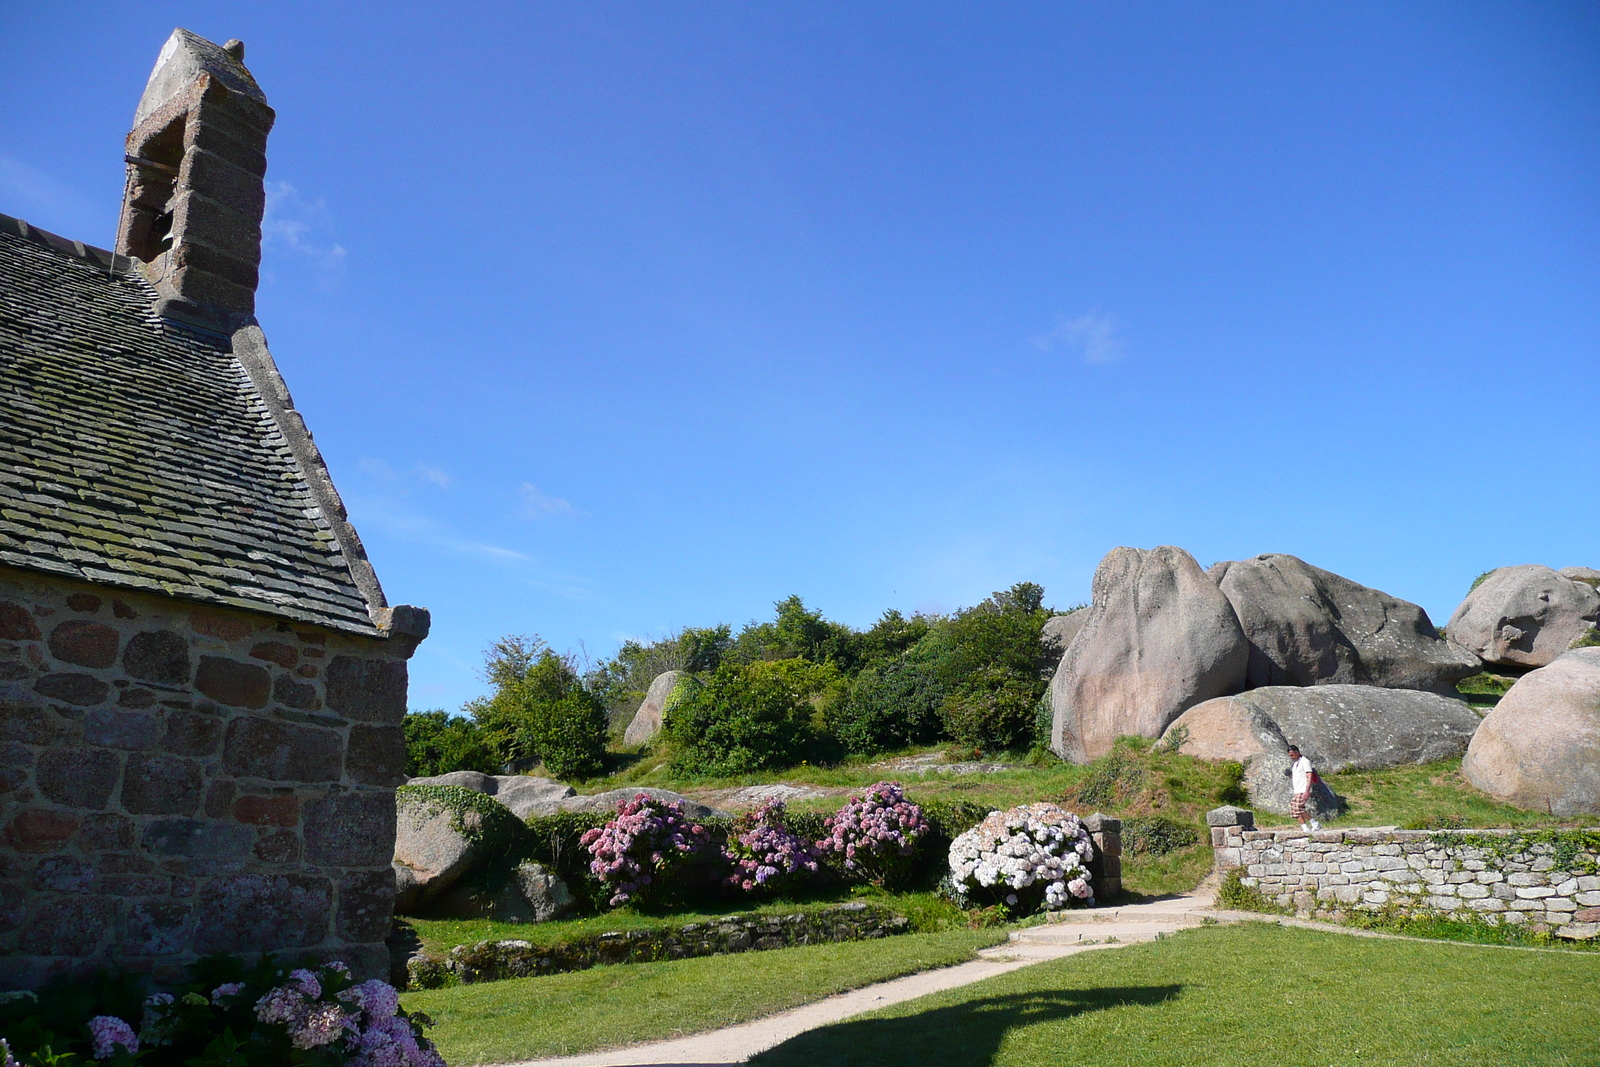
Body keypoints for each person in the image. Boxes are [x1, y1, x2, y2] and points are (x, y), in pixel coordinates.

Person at [1287, 744, 1320, 832]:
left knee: (1298, 808)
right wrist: (1289, 775)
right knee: (1294, 809)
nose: (1291, 757)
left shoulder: (1305, 761)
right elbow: (1297, 776)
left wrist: (1307, 790)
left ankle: (1315, 823)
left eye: (1292, 755)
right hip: (1297, 790)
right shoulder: (1295, 764)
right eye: (1290, 756)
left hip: (1303, 789)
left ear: (1297, 753)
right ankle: (1305, 828)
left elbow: (1309, 776)